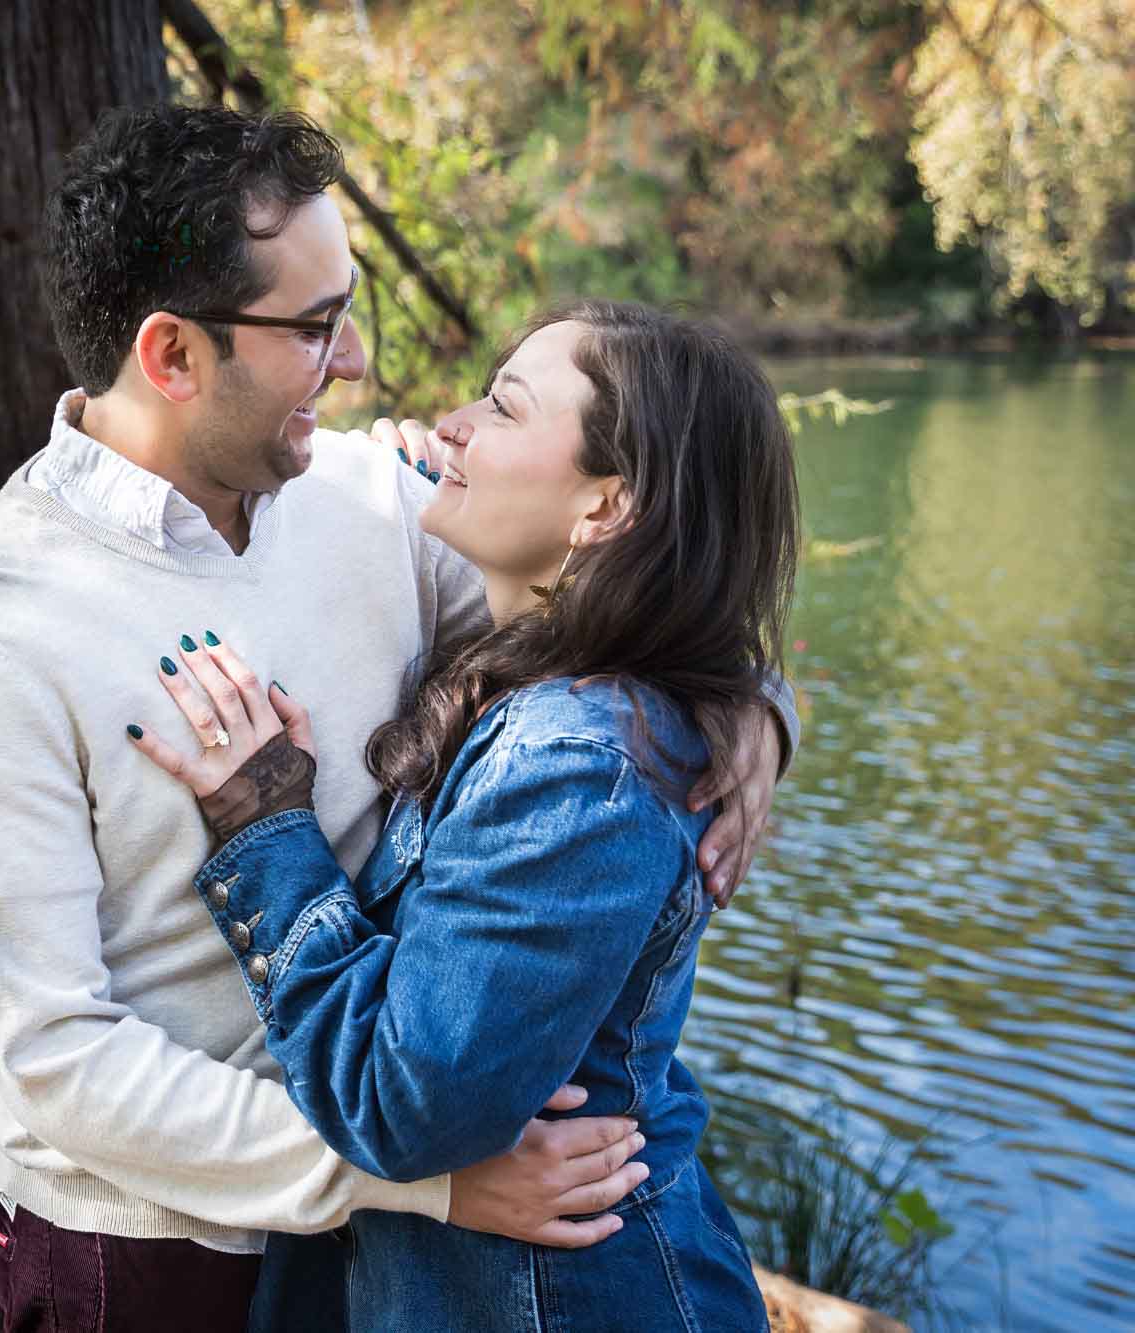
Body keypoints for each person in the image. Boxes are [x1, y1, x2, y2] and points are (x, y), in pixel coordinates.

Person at [0, 105, 792, 1332]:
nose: (356, 361)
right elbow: (55, 1061)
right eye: (315, 328)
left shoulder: (378, 504)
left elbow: (635, 604)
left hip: (398, 1241)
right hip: (160, 1256)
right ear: (172, 356)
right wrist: (417, 1174)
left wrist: (746, 712)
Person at [126, 301, 793, 1331]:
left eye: (502, 407)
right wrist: (758, 704)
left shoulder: (572, 768)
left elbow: (401, 1108)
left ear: (604, 508)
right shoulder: (543, 680)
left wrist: (263, 826)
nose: (447, 420)